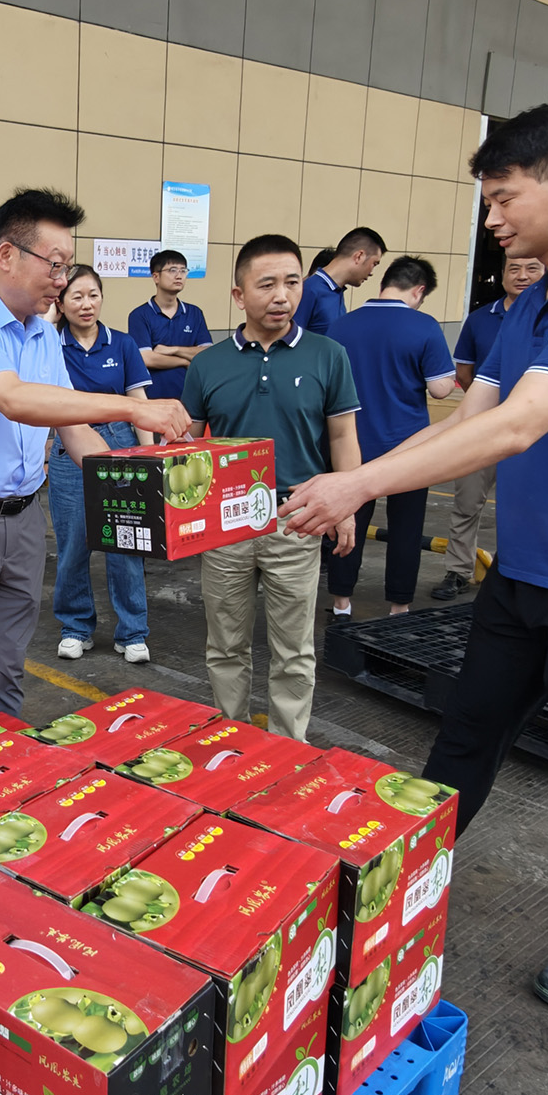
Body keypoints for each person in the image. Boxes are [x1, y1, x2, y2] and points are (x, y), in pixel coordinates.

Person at [279, 104, 548, 1014]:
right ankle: (390, 883)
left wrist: (356, 488)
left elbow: (515, 427)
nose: (493, 219)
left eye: (504, 198)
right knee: (465, 737)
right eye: (488, 202)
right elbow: (468, 418)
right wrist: (355, 481)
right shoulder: (533, 303)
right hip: (524, 574)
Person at [0, 190, 191, 720]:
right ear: (7, 255)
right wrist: (133, 408)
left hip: (22, 519)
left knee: (7, 672)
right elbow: (15, 399)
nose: (62, 281)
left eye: (66, 266)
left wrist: (147, 485)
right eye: (56, 265)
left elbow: (73, 428)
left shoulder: (43, 335)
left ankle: (3, 762)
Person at [182, 234, 362, 739]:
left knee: (294, 650)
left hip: (297, 518)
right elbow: (187, 446)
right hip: (225, 523)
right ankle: (231, 738)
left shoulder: (328, 355)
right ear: (239, 295)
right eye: (267, 285)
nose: (282, 295)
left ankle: (289, 747)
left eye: (292, 282)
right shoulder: (208, 364)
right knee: (225, 644)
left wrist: (347, 505)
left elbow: (343, 436)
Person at [325, 256, 457, 618]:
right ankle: (399, 606)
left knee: (347, 522)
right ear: (419, 291)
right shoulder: (425, 326)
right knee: (406, 530)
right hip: (408, 449)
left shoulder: (341, 326)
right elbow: (441, 389)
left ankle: (341, 604)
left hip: (350, 445)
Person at [50, 265, 155, 664]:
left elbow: (139, 404)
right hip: (69, 447)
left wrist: (148, 456)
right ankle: (76, 627)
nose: (86, 304)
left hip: (119, 444)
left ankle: (133, 632)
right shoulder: (51, 344)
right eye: (76, 296)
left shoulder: (122, 343)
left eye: (93, 295)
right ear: (61, 303)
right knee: (73, 543)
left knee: (126, 542)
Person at [430, 251, 546, 600]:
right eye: (514, 269)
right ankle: (458, 570)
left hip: (536, 430)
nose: (522, 275)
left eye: (532, 268)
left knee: (530, 505)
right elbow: (465, 372)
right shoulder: (480, 319)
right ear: (503, 275)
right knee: (467, 502)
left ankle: (523, 575)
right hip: (483, 427)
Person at [129, 249, 213, 400]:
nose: (179, 275)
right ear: (156, 277)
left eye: (183, 270)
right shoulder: (139, 315)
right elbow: (146, 358)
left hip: (190, 397)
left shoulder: (195, 313)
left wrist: (173, 349)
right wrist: (184, 361)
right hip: (153, 398)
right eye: (172, 270)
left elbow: (207, 353)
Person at [290, 228, 386, 335]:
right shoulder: (310, 290)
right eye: (374, 264)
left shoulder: (336, 292)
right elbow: (290, 339)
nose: (371, 272)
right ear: (359, 256)